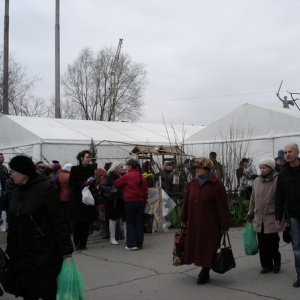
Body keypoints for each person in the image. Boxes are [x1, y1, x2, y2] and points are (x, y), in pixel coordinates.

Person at [5, 155, 73, 300]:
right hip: (22, 252)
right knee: (28, 292)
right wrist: (11, 248)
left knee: (47, 291)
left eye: (13, 171)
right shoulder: (16, 189)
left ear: (23, 172)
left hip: (44, 252)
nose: (10, 175)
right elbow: (13, 220)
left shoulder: (45, 188)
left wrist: (66, 251)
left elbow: (58, 220)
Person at [180, 157, 230, 285]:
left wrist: (224, 224)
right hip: (195, 222)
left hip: (210, 224)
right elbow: (186, 201)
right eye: (195, 168)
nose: (196, 170)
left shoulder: (216, 184)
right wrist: (183, 218)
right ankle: (204, 267)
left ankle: (205, 271)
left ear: (207, 169)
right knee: (197, 247)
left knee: (207, 248)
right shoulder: (193, 183)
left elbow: (222, 206)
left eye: (199, 168)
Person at [246, 158, 283, 274]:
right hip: (258, 216)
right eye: (261, 168)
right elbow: (252, 198)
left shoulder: (277, 180)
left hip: (271, 216)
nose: (262, 170)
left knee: (272, 242)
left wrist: (280, 215)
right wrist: (250, 212)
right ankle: (266, 265)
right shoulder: (257, 181)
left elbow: (281, 199)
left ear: (271, 168)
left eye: (265, 167)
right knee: (262, 243)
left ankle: (276, 262)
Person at [275, 143, 300, 288]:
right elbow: (279, 197)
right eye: (285, 152)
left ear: (297, 152)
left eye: (290, 151)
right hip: (294, 215)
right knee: (296, 246)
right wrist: (278, 217)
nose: (287, 154)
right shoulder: (283, 174)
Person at [114, 159, 148, 251]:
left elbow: (116, 184)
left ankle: (132, 244)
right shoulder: (142, 177)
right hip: (140, 202)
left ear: (130, 166)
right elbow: (145, 192)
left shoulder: (128, 176)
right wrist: (144, 202)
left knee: (130, 223)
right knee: (139, 223)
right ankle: (139, 243)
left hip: (130, 202)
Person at [68, 150, 97, 251]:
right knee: (78, 222)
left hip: (87, 197)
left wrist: (91, 183)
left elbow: (93, 181)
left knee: (86, 222)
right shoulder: (75, 169)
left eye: (89, 157)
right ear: (81, 158)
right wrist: (83, 183)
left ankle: (83, 243)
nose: (89, 159)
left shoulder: (91, 169)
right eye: (87, 157)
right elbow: (71, 183)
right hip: (77, 198)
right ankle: (76, 242)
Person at [100, 161, 126, 245]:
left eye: (123, 166)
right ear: (116, 168)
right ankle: (112, 238)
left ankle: (127, 236)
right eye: (121, 167)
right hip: (112, 201)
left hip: (122, 199)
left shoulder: (124, 175)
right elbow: (102, 186)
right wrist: (111, 189)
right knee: (113, 219)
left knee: (124, 218)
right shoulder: (110, 176)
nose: (123, 168)